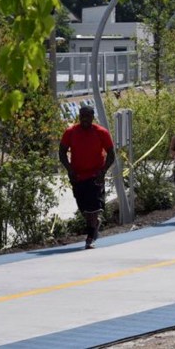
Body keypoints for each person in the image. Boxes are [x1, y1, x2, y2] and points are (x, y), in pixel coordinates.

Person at [59, 105, 116, 249]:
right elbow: (62, 152)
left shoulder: (101, 132)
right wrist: (70, 169)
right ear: (79, 116)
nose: (85, 119)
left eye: (88, 116)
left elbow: (111, 154)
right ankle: (95, 224)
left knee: (92, 208)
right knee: (84, 208)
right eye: (82, 116)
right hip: (78, 176)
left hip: (95, 175)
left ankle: (90, 238)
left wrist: (103, 171)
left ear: (92, 117)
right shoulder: (70, 132)